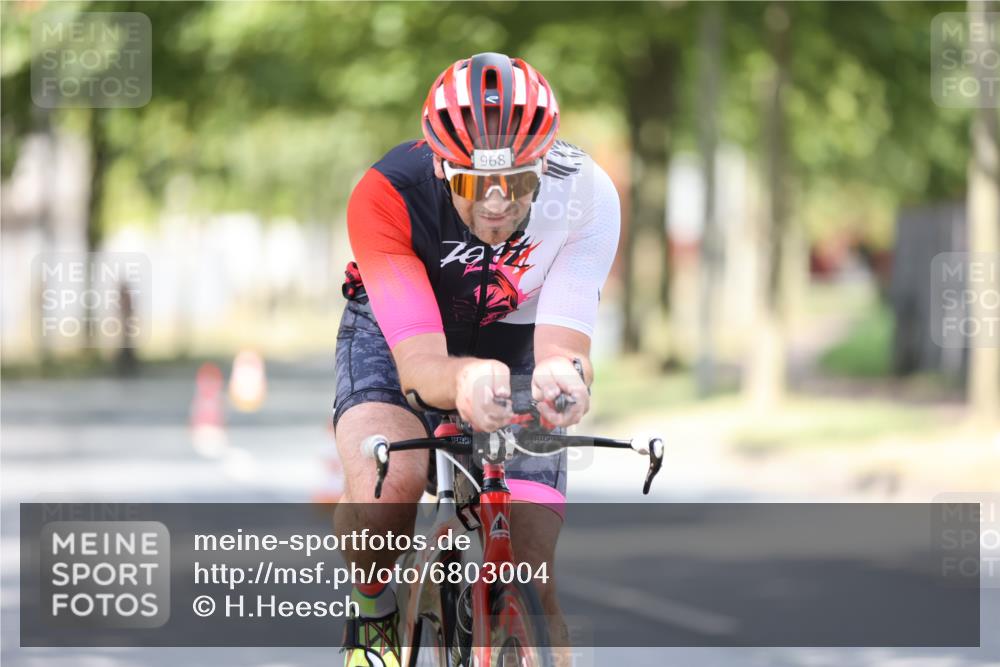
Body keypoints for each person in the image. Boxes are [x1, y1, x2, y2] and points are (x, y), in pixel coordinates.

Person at [334, 52, 620, 666]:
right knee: (390, 487)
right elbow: (420, 365)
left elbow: (565, 347)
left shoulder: (587, 194)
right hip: (402, 327)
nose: (496, 203)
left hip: (517, 330)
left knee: (532, 563)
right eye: (470, 183)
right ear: (441, 166)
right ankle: (374, 612)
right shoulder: (386, 194)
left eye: (517, 182)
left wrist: (564, 380)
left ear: (543, 163)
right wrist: (462, 378)